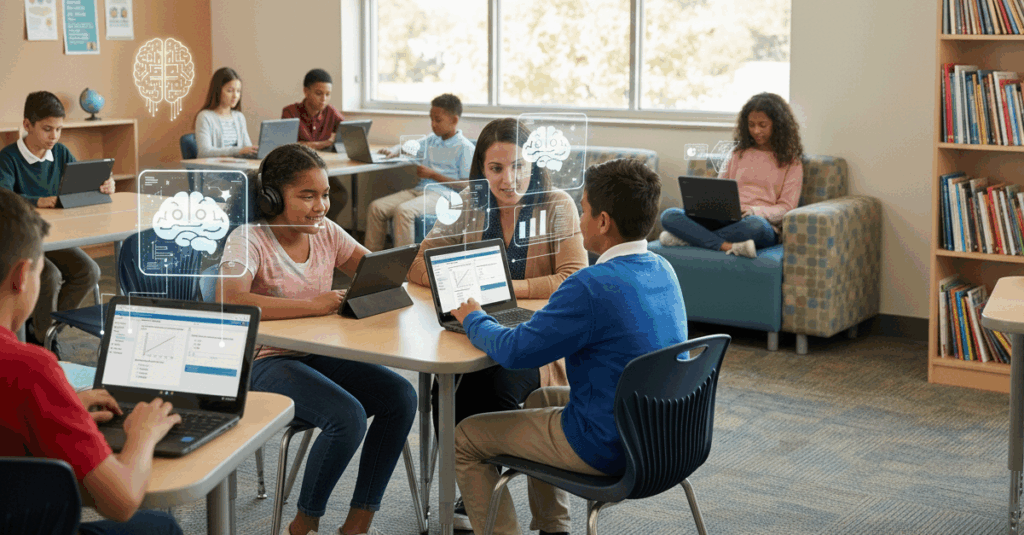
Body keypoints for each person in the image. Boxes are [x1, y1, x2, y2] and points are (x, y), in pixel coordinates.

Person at [449, 158, 687, 535]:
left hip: (608, 444)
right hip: (665, 435)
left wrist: (474, 317)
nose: (579, 218)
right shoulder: (663, 269)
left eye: (585, 209)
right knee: (539, 400)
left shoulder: (590, 285)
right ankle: (553, 528)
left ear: (604, 222)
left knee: (464, 437)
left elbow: (514, 352)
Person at [218, 143, 416, 535]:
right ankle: (305, 522)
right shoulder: (250, 238)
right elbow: (231, 298)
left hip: (318, 352)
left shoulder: (325, 231)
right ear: (272, 198)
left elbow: (374, 268)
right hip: (264, 362)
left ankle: (358, 522)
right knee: (347, 417)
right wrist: (315, 304)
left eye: (324, 194)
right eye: (306, 196)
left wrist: (433, 271)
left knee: (401, 397)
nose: (320, 206)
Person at [407, 117, 586, 529]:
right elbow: (418, 264)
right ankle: (474, 495)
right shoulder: (468, 204)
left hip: (534, 337)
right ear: (480, 170)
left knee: (501, 389)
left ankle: (493, 494)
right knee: (447, 390)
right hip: (473, 329)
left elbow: (573, 277)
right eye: (496, 169)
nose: (509, 180)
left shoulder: (557, 204)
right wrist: (465, 289)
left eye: (520, 166)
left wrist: (507, 290)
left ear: (535, 165)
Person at [0, 187, 183, 535]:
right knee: (160, 526)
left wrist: (63, 408)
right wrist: (142, 435)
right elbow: (121, 500)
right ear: (22, 277)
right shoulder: (30, 371)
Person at [0, 91, 110, 353]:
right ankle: (42, 340)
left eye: (59, 129)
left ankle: (45, 328)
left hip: (56, 235)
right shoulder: (8, 158)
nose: (54, 136)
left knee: (89, 271)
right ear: (27, 125)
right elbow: (3, 199)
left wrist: (103, 185)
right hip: (24, 238)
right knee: (48, 274)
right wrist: (39, 201)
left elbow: (78, 186)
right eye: (47, 129)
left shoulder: (60, 153)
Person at [660, 92, 804, 258]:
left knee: (755, 227)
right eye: (751, 125)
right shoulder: (738, 153)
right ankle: (725, 245)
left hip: (758, 223)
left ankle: (690, 239)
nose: (756, 131)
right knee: (670, 215)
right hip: (726, 219)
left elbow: (787, 208)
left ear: (777, 125)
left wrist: (755, 210)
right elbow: (720, 190)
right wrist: (711, 205)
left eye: (763, 125)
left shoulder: (791, 161)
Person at [363, 93, 475, 251]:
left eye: (438, 120)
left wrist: (433, 175)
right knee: (376, 208)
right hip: (420, 190)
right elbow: (407, 146)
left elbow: (467, 186)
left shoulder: (465, 148)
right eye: (431, 119)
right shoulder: (432, 139)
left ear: (454, 120)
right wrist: (393, 150)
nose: (433, 124)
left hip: (444, 196)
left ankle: (405, 269)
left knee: (404, 211)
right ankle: (371, 261)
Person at [195, 67, 257, 158]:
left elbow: (247, 147)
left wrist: (253, 150)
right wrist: (238, 151)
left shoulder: (239, 117)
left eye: (238, 91)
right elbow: (204, 152)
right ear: (218, 90)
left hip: (239, 167)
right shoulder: (204, 117)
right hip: (216, 169)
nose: (235, 96)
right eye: (230, 91)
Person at [282, 68, 345, 151]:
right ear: (306, 91)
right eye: (318, 93)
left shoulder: (330, 111)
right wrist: (322, 144)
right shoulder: (290, 112)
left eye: (328, 94)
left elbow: (349, 130)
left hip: (325, 160)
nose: (324, 99)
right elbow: (286, 146)